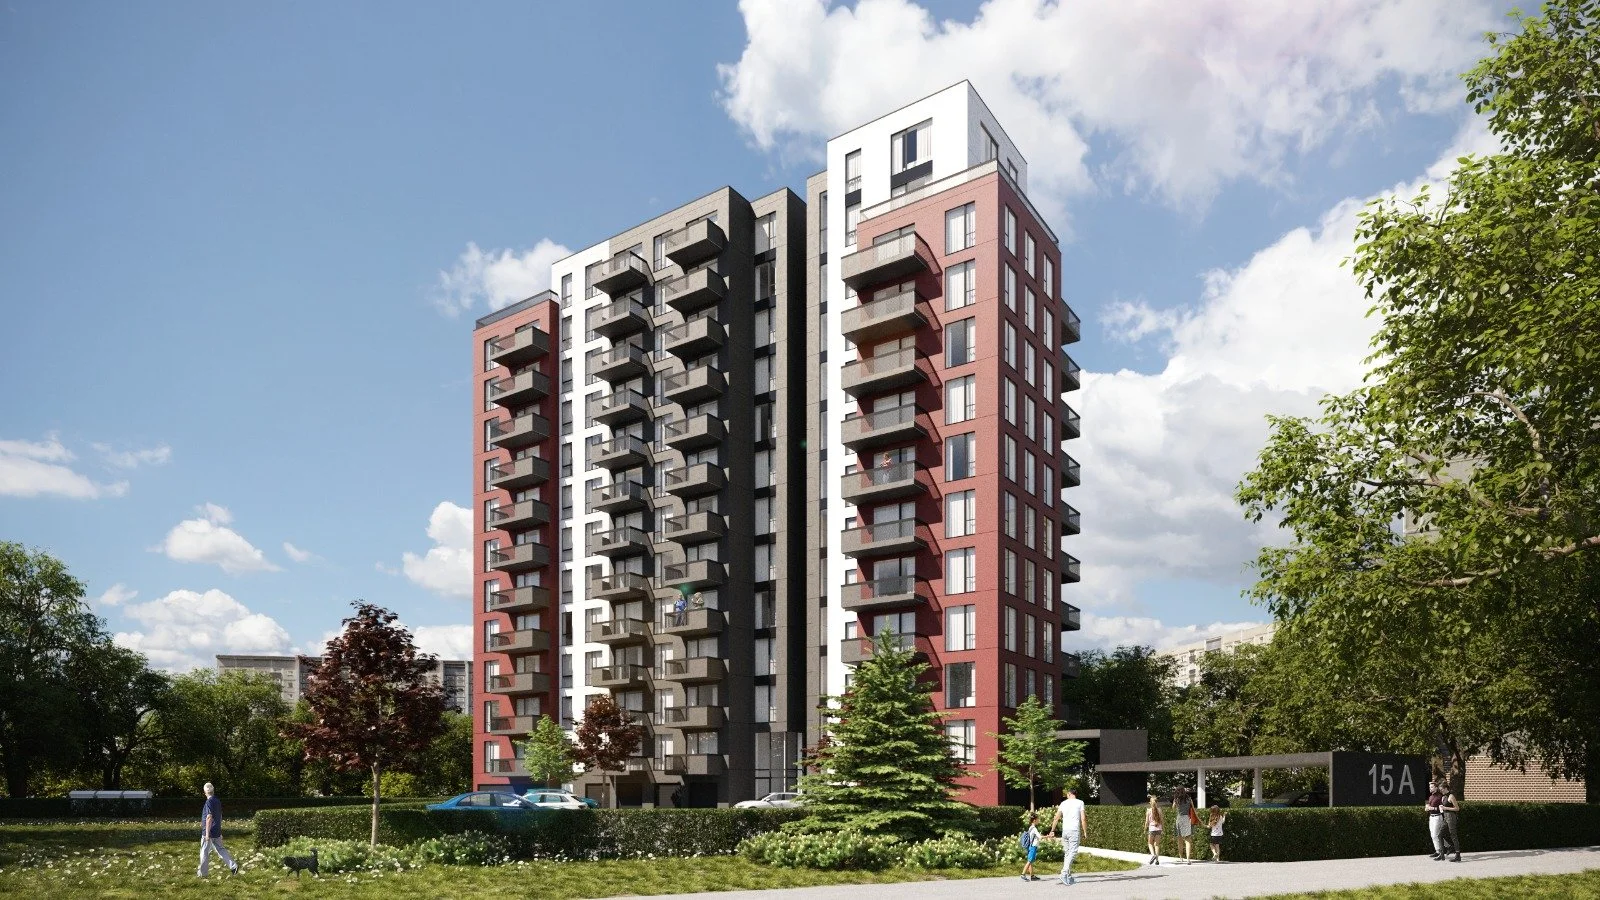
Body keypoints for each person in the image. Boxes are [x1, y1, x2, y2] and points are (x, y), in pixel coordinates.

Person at [1046, 785, 1088, 885]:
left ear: (1069, 794)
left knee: (1068, 853)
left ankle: (1068, 875)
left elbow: (1056, 818)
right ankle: (1064, 873)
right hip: (1074, 831)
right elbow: (1083, 818)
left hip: (1065, 831)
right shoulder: (1080, 803)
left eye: (1067, 794)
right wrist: (1085, 831)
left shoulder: (1063, 803)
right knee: (1072, 852)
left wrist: (1052, 830)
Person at [196, 782, 237, 878]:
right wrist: (219, 831)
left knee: (204, 852)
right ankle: (233, 866)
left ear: (205, 792)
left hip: (209, 832)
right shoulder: (217, 801)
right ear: (213, 791)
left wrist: (206, 834)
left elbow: (209, 817)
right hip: (216, 831)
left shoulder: (209, 802)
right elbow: (219, 816)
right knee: (221, 850)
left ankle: (203, 874)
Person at [1172, 786, 1196, 863]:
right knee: (1188, 840)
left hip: (1179, 819)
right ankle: (1188, 859)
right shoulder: (1189, 799)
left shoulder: (1176, 800)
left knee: (1180, 840)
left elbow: (1173, 808)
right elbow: (1193, 809)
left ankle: (1181, 858)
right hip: (1187, 819)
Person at [1439, 784, 1462, 862]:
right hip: (1446, 817)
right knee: (1440, 835)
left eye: (1441, 789)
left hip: (1451, 817)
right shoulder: (1444, 797)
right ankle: (1442, 853)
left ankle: (1458, 855)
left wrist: (1446, 808)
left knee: (1453, 835)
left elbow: (1457, 808)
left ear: (1446, 788)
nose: (1441, 791)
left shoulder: (1451, 796)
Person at [1425, 780, 1448, 860]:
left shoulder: (1440, 796)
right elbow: (1428, 805)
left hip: (1438, 817)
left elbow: (1442, 807)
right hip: (1431, 817)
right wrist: (1427, 807)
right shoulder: (1430, 797)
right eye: (1429, 787)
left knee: (1436, 835)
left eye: (1431, 787)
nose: (1430, 789)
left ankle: (1440, 852)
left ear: (1436, 788)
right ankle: (1444, 848)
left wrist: (1432, 808)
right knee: (1434, 835)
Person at [1019, 811, 1042, 881]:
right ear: (1034, 820)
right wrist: (1048, 836)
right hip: (1033, 847)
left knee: (1030, 861)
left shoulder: (1030, 828)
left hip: (1030, 846)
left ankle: (1032, 876)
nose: (1039, 820)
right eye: (1038, 819)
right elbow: (1040, 837)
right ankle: (1023, 874)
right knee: (1029, 861)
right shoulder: (1034, 829)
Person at [1144, 794, 1164, 864]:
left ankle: (1153, 855)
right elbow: (1162, 821)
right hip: (1159, 829)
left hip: (1151, 829)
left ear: (1150, 803)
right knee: (1157, 844)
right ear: (1157, 802)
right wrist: (1163, 829)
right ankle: (1157, 860)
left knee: (1150, 843)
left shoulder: (1148, 811)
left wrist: (1145, 829)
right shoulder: (1160, 810)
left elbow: (1147, 822)